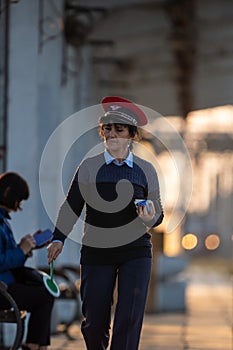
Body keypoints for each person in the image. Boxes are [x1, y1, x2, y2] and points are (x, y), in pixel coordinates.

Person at [47, 96, 164, 350]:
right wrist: (58, 238)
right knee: (94, 322)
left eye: (118, 129)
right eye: (107, 129)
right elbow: (72, 206)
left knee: (129, 319)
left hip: (136, 251)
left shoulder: (146, 170)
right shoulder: (89, 167)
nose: (111, 134)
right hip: (97, 251)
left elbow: (158, 215)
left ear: (132, 134)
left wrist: (150, 215)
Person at [0, 172, 54, 350]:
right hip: (3, 288)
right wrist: (21, 250)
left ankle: (37, 346)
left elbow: (8, 255)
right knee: (44, 297)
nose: (19, 207)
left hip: (7, 283)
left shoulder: (3, 220)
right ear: (8, 192)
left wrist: (26, 248)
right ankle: (34, 346)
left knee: (45, 292)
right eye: (19, 200)